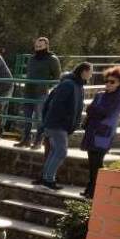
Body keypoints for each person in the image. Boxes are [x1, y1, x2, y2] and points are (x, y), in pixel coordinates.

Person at [35, 61, 91, 190]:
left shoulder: (77, 85)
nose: (91, 75)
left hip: (59, 125)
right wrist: (64, 122)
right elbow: (56, 105)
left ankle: (46, 178)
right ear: (84, 72)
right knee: (61, 152)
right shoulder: (69, 84)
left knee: (55, 151)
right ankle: (48, 180)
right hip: (57, 125)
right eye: (90, 72)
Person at [80, 66, 120, 198]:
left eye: (112, 82)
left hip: (103, 135)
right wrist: (94, 110)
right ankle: (90, 189)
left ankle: (95, 191)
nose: (108, 84)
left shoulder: (119, 98)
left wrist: (93, 110)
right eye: (107, 81)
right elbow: (91, 110)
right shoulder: (100, 95)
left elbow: (104, 113)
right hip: (92, 132)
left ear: (119, 83)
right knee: (92, 163)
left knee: (97, 163)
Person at [15, 37, 62, 149]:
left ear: (46, 46)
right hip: (28, 90)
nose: (38, 48)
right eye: (36, 46)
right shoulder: (32, 59)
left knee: (39, 118)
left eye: (40, 46)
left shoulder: (52, 59)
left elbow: (57, 77)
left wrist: (47, 86)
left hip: (41, 92)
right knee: (27, 117)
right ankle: (26, 139)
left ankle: (38, 141)